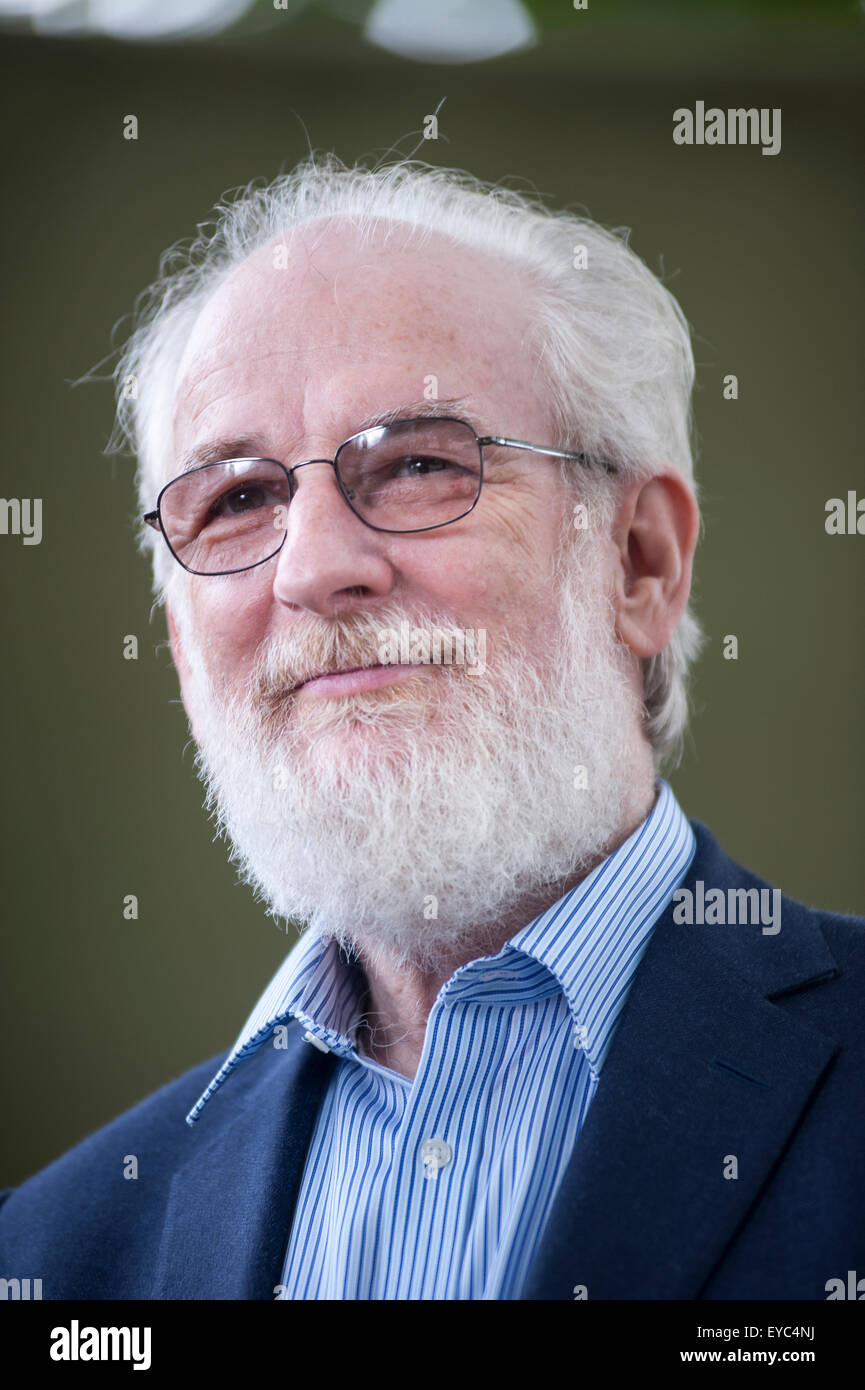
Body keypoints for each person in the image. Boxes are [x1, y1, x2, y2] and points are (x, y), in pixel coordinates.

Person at [1, 154, 862, 1301]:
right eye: (238, 499)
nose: (311, 568)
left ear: (639, 562)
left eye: (416, 464)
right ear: (178, 638)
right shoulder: (51, 1258)